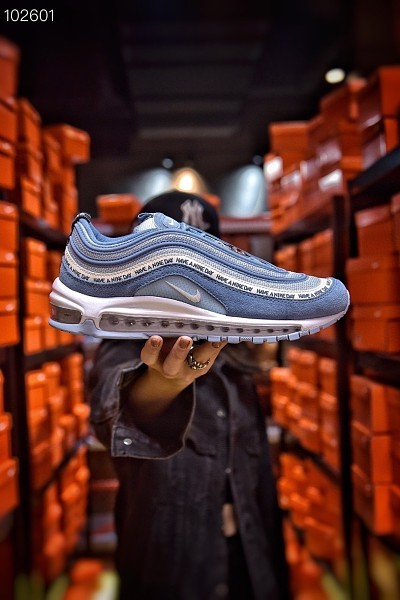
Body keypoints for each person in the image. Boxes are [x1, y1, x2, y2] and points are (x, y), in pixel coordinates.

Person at [88, 190, 290, 600]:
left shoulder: (235, 350)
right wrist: (164, 384)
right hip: (169, 570)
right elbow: (115, 414)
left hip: (251, 559)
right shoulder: (123, 340)